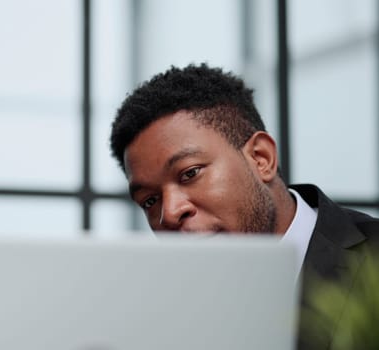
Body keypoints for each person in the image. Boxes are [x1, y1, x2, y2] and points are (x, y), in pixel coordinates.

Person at [109, 63, 379, 349]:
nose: (170, 213)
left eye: (190, 173)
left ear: (261, 158)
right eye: (149, 201)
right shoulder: (160, 315)